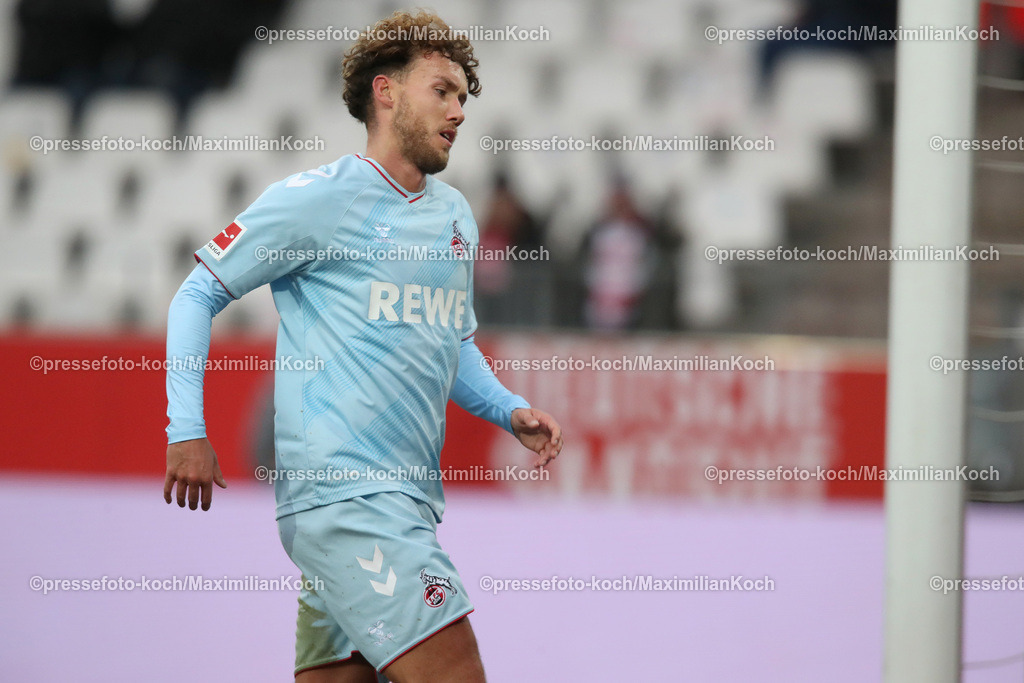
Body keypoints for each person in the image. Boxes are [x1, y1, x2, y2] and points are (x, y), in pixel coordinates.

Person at [161, 10, 563, 683]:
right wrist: (186, 427)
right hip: (346, 503)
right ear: (387, 92)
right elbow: (195, 295)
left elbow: (453, 340)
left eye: (464, 97)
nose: (459, 110)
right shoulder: (313, 201)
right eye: (442, 89)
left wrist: (507, 409)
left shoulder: (455, 215)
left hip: (405, 505)